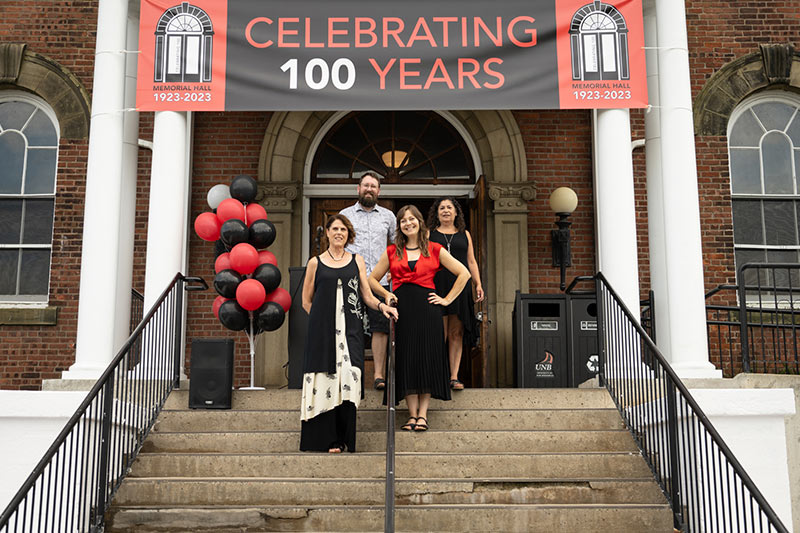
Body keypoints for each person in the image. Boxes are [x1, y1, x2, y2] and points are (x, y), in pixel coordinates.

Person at [300, 214, 397, 453]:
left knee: (348, 381)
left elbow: (366, 294)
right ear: (328, 233)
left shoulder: (357, 261)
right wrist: (322, 323)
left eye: (343, 229)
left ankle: (344, 439)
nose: (338, 233)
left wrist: (382, 305)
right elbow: (306, 301)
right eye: (334, 229)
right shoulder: (315, 262)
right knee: (325, 381)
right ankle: (325, 439)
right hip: (323, 334)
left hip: (350, 332)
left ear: (348, 234)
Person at [368, 205, 470, 432]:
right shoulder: (392, 251)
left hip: (428, 309)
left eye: (412, 219)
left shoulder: (434, 249)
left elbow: (465, 273)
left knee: (427, 358)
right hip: (402, 310)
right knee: (408, 359)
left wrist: (446, 299)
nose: (408, 223)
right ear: (400, 226)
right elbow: (372, 279)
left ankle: (423, 415)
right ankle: (411, 414)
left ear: (420, 222)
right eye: (403, 221)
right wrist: (386, 294)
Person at [340, 171, 396, 391]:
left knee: (380, 327)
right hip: (352, 280)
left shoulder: (388, 217)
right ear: (358, 189)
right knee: (350, 327)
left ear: (379, 191)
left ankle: (379, 375)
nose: (369, 189)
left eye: (374, 186)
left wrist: (394, 270)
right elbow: (339, 246)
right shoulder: (345, 215)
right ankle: (350, 374)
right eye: (366, 186)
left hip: (379, 282)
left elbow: (396, 246)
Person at [427, 197, 485, 390]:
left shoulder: (464, 234)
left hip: (460, 287)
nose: (445, 211)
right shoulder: (429, 234)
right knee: (438, 332)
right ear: (436, 213)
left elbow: (471, 262)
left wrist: (478, 284)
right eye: (441, 208)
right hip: (437, 286)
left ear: (456, 212)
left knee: (456, 333)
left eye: (449, 208)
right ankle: (436, 374)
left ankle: (453, 377)